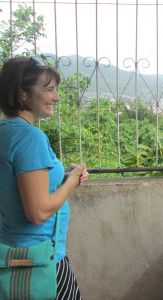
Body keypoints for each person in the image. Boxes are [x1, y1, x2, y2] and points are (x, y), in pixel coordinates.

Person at [0, 56, 89, 299]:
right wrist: (71, 182)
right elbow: (37, 212)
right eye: (48, 89)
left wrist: (63, 177)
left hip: (10, 253)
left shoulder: (5, 131)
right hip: (41, 259)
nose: (57, 97)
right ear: (23, 94)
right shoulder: (29, 138)